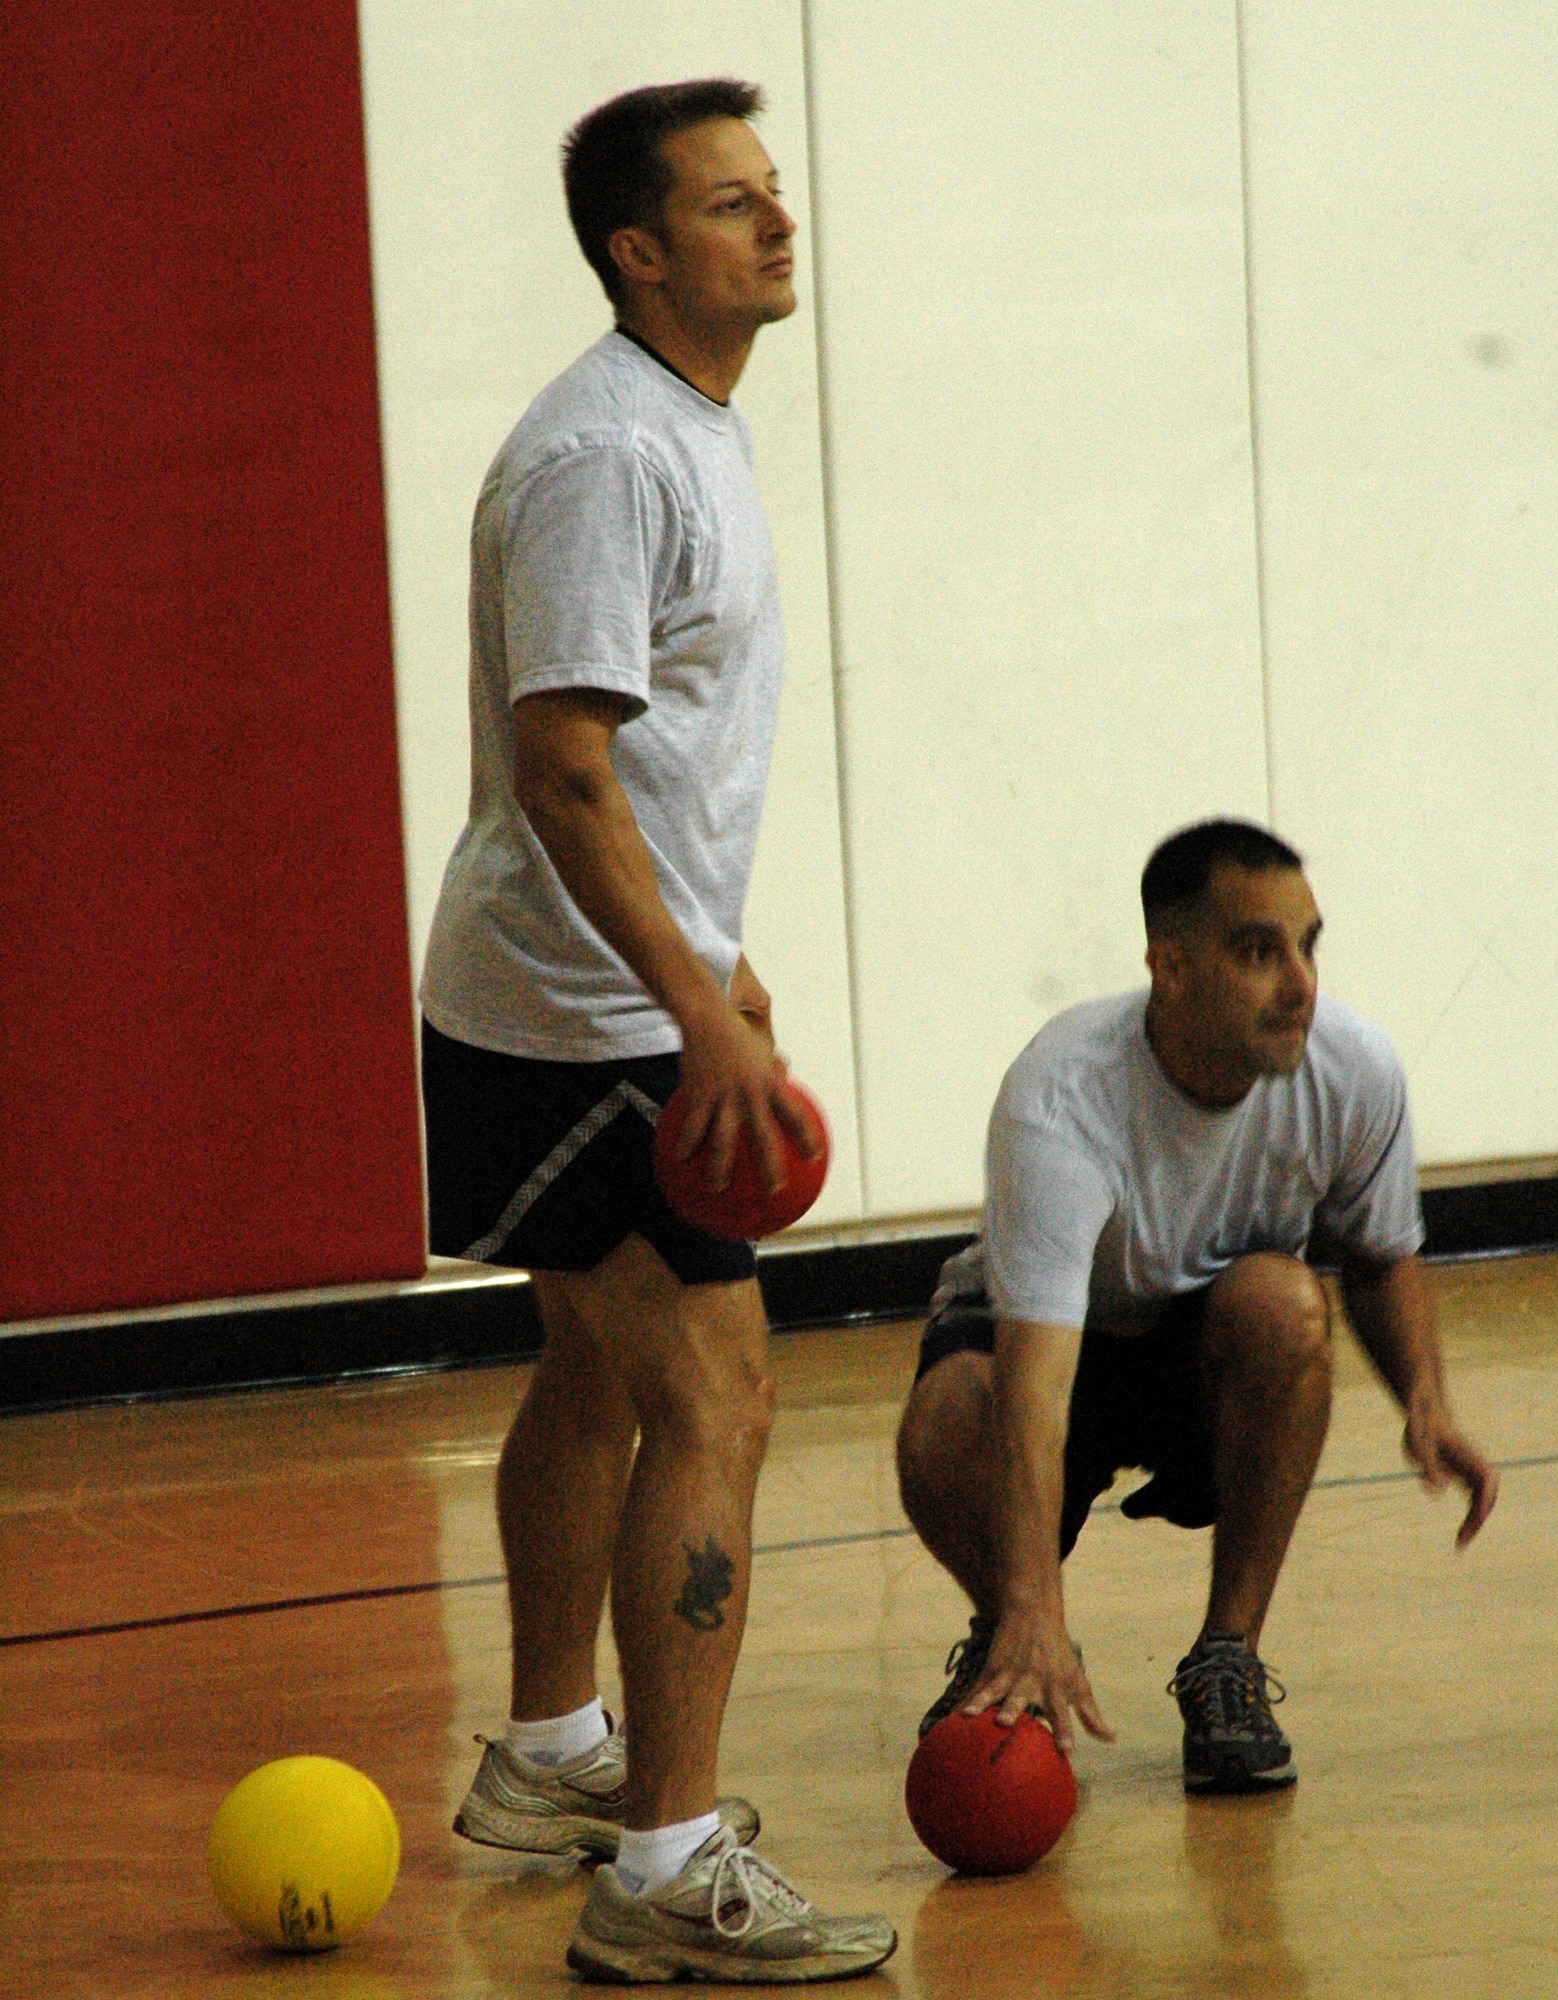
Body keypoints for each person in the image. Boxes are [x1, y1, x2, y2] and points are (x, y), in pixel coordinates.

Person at [419, 80, 894, 1983]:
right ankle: (663, 1868)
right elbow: (564, 765)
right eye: (728, 205)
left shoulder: (684, 430)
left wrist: (720, 965)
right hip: (582, 1022)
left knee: (603, 1376)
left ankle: (553, 1757)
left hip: (605, 996)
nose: (776, 226)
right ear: (638, 250)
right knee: (719, 1394)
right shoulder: (610, 456)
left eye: (774, 194)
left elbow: (652, 770)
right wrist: (697, 1016)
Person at [896, 819, 1498, 1795]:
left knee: (1284, 1304)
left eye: (1307, 944)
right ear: (1168, 969)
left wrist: (1424, 1397)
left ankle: (1227, 1657)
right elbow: (1034, 1385)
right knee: (947, 1416)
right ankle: (1011, 1635)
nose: (1300, 981)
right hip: (1059, 1350)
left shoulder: (1353, 1069)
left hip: (1204, 1352)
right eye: (1259, 951)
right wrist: (1030, 1597)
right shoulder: (1060, 1098)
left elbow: (1379, 1258)